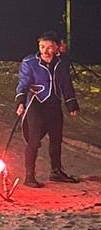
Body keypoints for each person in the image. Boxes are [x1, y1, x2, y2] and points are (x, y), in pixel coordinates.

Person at [15, 31, 80, 187]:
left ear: (56, 48)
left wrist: (71, 104)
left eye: (50, 47)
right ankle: (29, 176)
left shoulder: (61, 63)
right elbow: (23, 84)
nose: (45, 51)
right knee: (34, 140)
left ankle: (56, 172)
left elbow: (66, 84)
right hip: (37, 105)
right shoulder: (30, 62)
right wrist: (20, 101)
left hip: (54, 105)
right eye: (42, 46)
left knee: (56, 139)